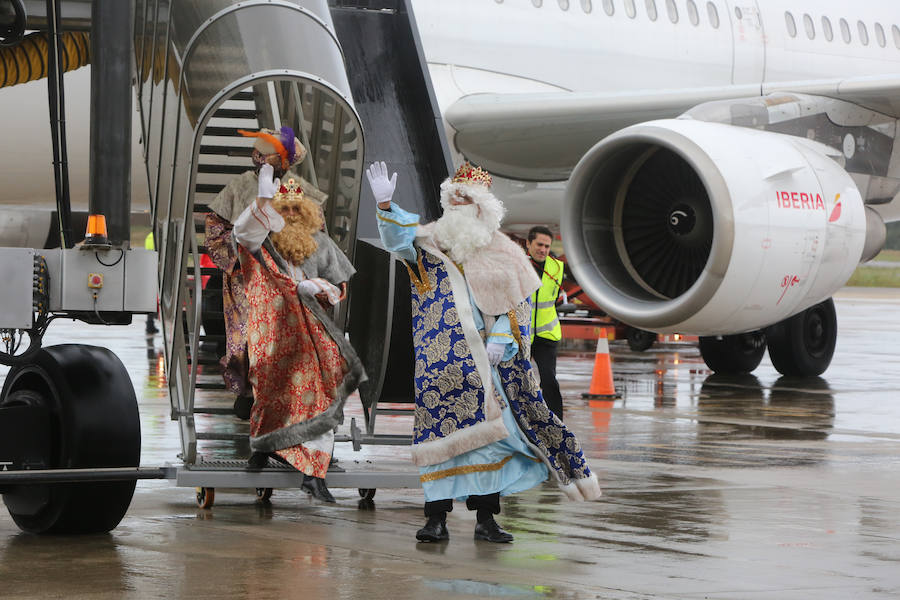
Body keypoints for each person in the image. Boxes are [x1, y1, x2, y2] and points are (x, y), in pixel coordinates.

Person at [367, 161, 600, 543]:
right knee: (439, 444)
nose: (457, 200)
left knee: (489, 445)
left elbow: (519, 303)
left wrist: (504, 337)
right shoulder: (426, 243)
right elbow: (397, 240)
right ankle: (435, 518)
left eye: (466, 195)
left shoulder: (505, 252)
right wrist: (386, 207)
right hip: (440, 365)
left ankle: (486, 519)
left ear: (482, 205)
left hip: (487, 370)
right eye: (452, 194)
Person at [210, 129, 366, 503]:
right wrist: (262, 203)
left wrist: (322, 289)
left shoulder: (319, 239)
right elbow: (238, 237)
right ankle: (266, 447)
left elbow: (335, 278)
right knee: (269, 384)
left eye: (299, 209)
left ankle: (314, 469)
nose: (292, 213)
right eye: (285, 209)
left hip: (311, 327)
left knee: (319, 393)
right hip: (268, 317)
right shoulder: (256, 227)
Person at [205, 127, 326, 418]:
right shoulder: (239, 187)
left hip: (288, 277)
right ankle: (250, 395)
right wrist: (238, 253)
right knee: (250, 337)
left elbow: (317, 236)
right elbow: (215, 232)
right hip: (247, 278)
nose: (259, 155)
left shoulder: (302, 190)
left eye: (269, 151)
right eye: (258, 149)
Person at [525, 225, 566, 421]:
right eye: (539, 244)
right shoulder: (519, 265)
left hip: (547, 335)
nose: (543, 249)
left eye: (547, 246)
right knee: (516, 382)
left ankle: (557, 422)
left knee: (549, 380)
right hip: (521, 335)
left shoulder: (557, 268)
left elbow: (553, 298)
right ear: (528, 244)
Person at [144, 230, 159, 335]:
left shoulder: (149, 236)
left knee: (152, 297)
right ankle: (150, 323)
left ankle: (150, 323)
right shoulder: (160, 236)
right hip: (158, 267)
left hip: (150, 266)